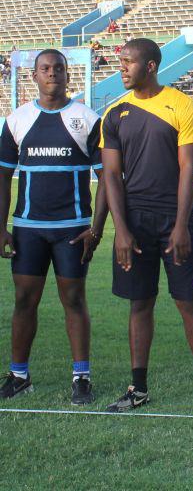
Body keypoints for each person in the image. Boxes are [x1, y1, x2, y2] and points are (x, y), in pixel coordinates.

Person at [100, 38, 193, 415]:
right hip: (134, 224)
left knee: (188, 303)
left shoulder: (181, 105)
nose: (121, 68)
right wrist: (121, 230)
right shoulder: (115, 113)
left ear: (151, 66)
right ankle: (137, 389)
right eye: (120, 62)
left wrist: (181, 225)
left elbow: (189, 169)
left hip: (176, 221)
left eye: (128, 62)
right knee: (139, 303)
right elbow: (111, 176)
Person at [0, 50, 106, 404]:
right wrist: (1, 227)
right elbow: (3, 178)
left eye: (58, 68)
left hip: (72, 230)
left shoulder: (87, 119)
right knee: (24, 300)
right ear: (34, 76)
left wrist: (96, 228)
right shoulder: (17, 120)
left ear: (67, 75)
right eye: (45, 69)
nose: (52, 74)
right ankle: (19, 375)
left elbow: (106, 179)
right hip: (28, 229)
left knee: (74, 299)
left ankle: (81, 377)